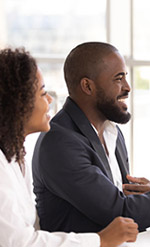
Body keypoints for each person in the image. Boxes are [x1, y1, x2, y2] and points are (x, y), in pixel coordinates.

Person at [32, 42, 150, 233]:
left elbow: (124, 201)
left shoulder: (111, 132)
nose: (128, 87)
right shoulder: (60, 142)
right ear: (87, 86)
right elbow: (119, 212)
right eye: (118, 79)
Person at [0, 47, 138, 246]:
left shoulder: (13, 156)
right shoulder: (58, 143)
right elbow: (19, 243)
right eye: (42, 93)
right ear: (16, 103)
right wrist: (101, 240)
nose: (49, 100)